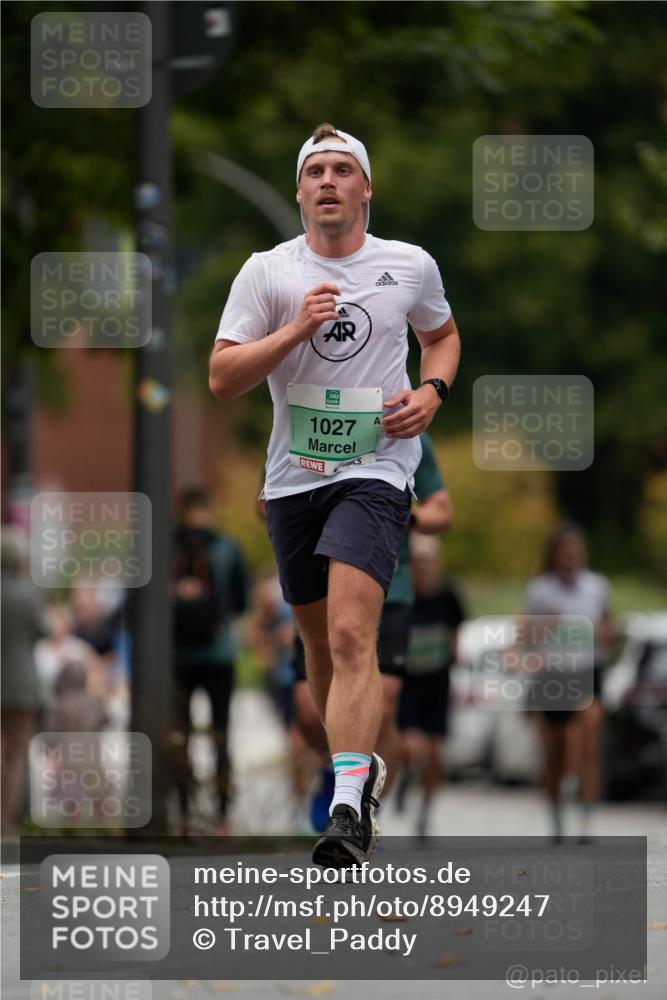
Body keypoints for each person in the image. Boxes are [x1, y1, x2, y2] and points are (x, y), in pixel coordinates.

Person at [210, 123, 460, 866]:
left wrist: (432, 393)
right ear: (298, 190)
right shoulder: (267, 272)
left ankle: (349, 802)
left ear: (364, 189)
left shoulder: (407, 265)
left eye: (341, 169)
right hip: (293, 477)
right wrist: (293, 332)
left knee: (354, 635)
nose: (327, 181)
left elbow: (441, 336)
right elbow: (223, 380)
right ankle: (351, 765)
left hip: (377, 469)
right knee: (316, 641)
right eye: (314, 170)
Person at [292, 432, 453, 836]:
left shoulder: (411, 433)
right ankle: (340, 771)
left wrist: (407, 515)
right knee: (310, 712)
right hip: (319, 581)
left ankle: (357, 806)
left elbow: (442, 511)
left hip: (389, 585)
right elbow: (265, 503)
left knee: (385, 704)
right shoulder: (306, 413)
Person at [524, 523, 613, 842]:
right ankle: (557, 815)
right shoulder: (540, 590)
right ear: (555, 555)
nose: (571, 557)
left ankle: (586, 821)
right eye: (565, 551)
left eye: (576, 551)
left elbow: (607, 626)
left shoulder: (597, 587)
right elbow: (526, 636)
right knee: (556, 753)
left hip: (586, 672)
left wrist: (603, 636)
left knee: (588, 742)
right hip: (553, 674)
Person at [171, 486, 249, 835]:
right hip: (218, 652)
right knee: (220, 734)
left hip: (180, 654)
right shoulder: (227, 548)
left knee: (180, 735)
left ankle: (187, 813)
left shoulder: (168, 546)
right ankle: (221, 816)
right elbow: (241, 600)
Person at [396, 534, 465, 839]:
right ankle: (405, 775)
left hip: (437, 683)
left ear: (438, 561)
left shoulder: (449, 595)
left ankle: (425, 811)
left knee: (435, 755)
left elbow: (456, 632)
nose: (424, 564)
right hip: (407, 684)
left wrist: (454, 653)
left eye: (429, 558)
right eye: (418, 558)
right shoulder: (400, 595)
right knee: (412, 746)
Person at [1, 526, 47, 834]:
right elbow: (42, 630)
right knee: (16, 754)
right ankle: (6, 818)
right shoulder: (27, 593)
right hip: (21, 682)